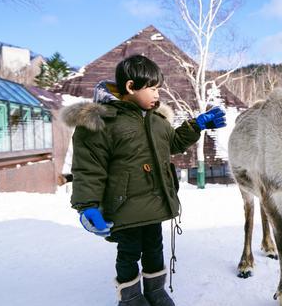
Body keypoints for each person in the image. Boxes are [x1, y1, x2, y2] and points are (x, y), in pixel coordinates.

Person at [60, 55, 227, 306]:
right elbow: (89, 168)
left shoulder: (156, 120)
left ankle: (155, 291)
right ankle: (130, 297)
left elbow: (173, 143)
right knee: (128, 252)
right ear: (130, 87)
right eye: (152, 88)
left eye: (158, 88)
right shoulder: (102, 121)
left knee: (154, 247)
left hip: (154, 202)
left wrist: (197, 125)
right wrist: (87, 205)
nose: (157, 95)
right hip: (123, 206)